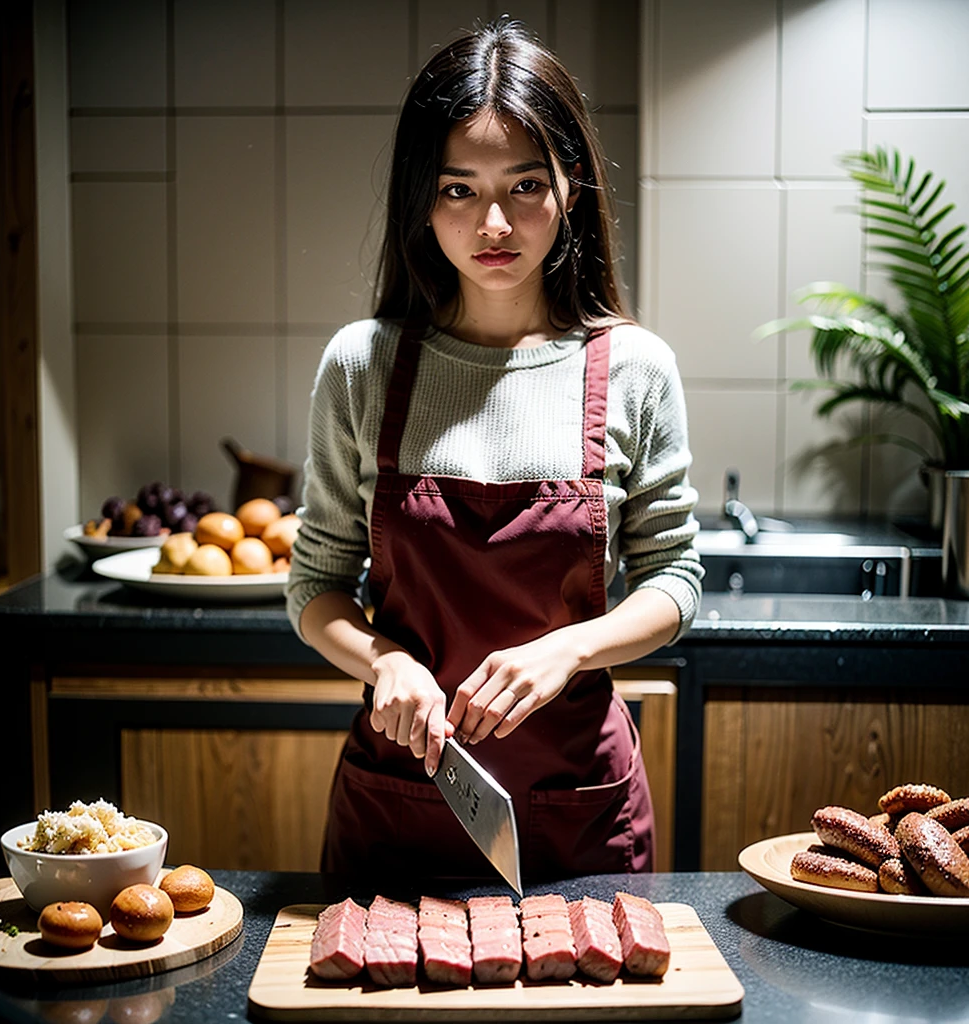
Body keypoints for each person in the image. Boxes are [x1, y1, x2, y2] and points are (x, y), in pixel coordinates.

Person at [287, 18, 703, 885]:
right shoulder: (363, 365)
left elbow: (674, 580)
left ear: (569, 188)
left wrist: (569, 649)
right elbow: (315, 586)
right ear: (421, 198)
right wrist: (386, 660)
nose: (494, 223)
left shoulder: (633, 368)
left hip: (580, 812)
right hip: (400, 807)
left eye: (524, 185)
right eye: (458, 189)